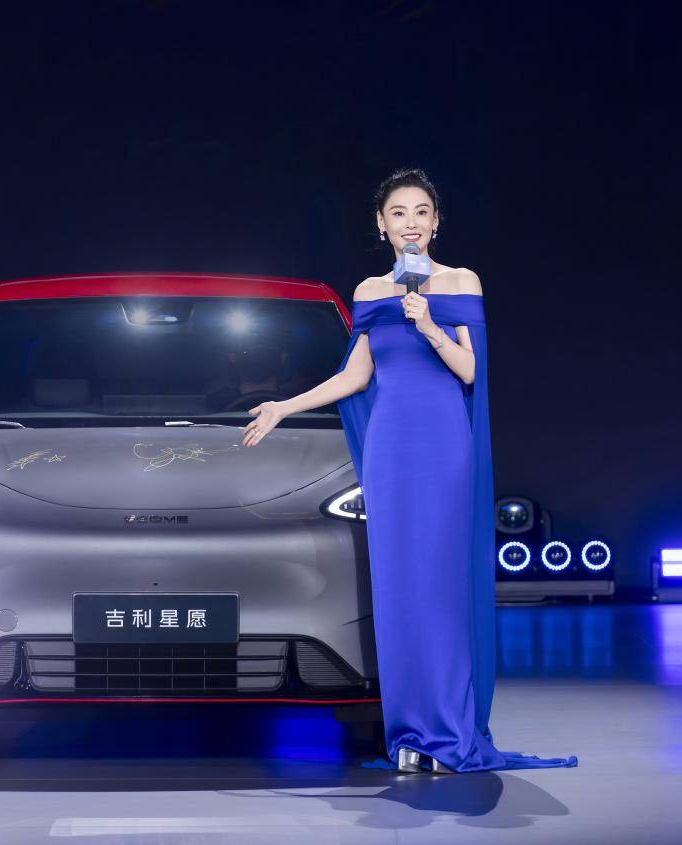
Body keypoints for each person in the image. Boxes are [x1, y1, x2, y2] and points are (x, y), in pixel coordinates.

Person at [242, 168, 575, 773]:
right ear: (381, 224)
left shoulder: (461, 281)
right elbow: (355, 376)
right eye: (399, 213)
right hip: (391, 449)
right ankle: (411, 736)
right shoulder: (370, 292)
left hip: (444, 446)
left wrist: (428, 326)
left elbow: (471, 371)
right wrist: (284, 406)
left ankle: (450, 733)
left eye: (422, 212)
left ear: (436, 222)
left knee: (440, 586)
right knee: (399, 589)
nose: (411, 223)